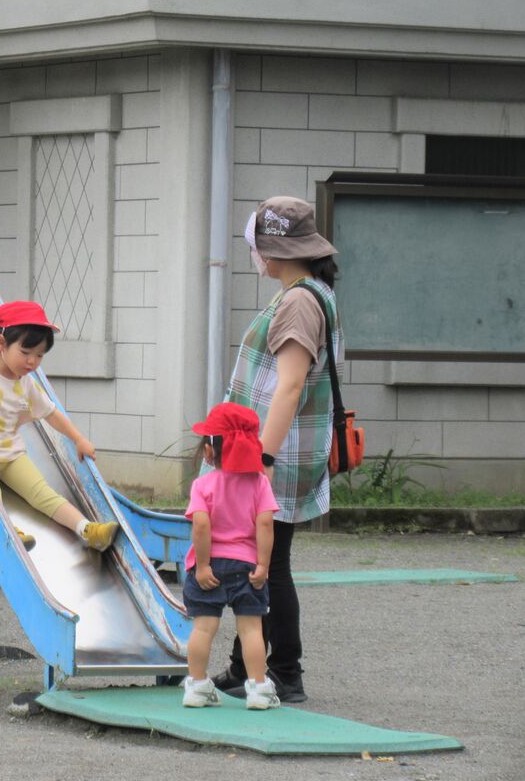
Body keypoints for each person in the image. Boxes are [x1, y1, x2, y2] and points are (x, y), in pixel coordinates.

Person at [210, 196, 343, 704]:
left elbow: (289, 386)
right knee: (262, 561)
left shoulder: (299, 302)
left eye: (256, 246)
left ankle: (283, 672)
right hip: (280, 450)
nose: (254, 255)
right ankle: (250, 667)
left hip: (276, 455)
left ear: (272, 250)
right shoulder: (309, 293)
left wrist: (260, 459)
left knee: (268, 564)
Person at [0, 301, 118, 553]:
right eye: (25, 352)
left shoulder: (25, 383)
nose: (32, 361)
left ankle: (88, 530)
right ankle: (7, 529)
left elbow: (51, 414)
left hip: (11, 454)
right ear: (2, 343)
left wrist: (78, 439)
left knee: (42, 493)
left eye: (39, 355)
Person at [180, 402, 279, 710]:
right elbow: (265, 524)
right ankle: (259, 689)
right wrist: (263, 565)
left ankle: (197, 686)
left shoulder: (203, 485)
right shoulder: (260, 483)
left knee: (203, 628)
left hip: (209, 566)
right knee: (251, 629)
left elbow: (201, 525)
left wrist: (203, 565)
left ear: (210, 451)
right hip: (247, 567)